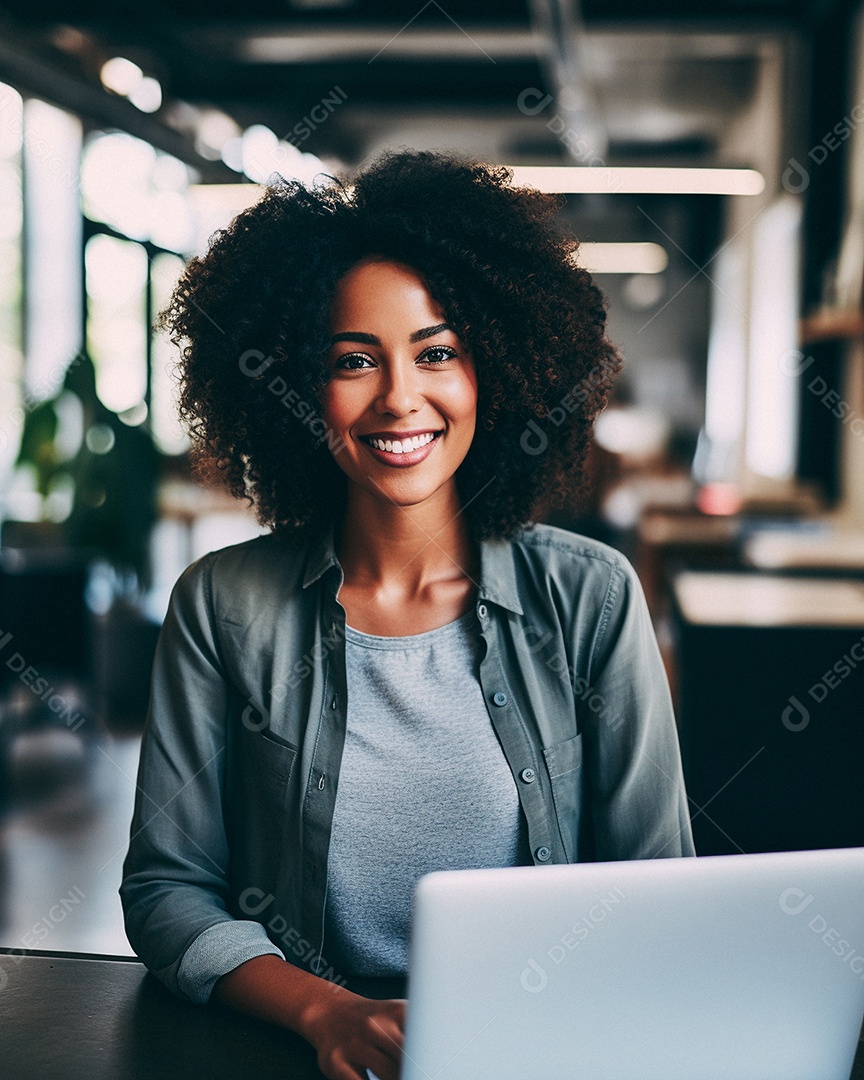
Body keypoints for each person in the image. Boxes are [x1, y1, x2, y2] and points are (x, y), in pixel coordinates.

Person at [120, 149, 695, 1080]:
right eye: (354, 361)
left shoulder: (591, 598)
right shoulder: (222, 606)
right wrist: (327, 1014)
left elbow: (657, 895)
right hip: (304, 1056)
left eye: (438, 353)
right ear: (297, 388)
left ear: (495, 369)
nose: (398, 397)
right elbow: (167, 889)